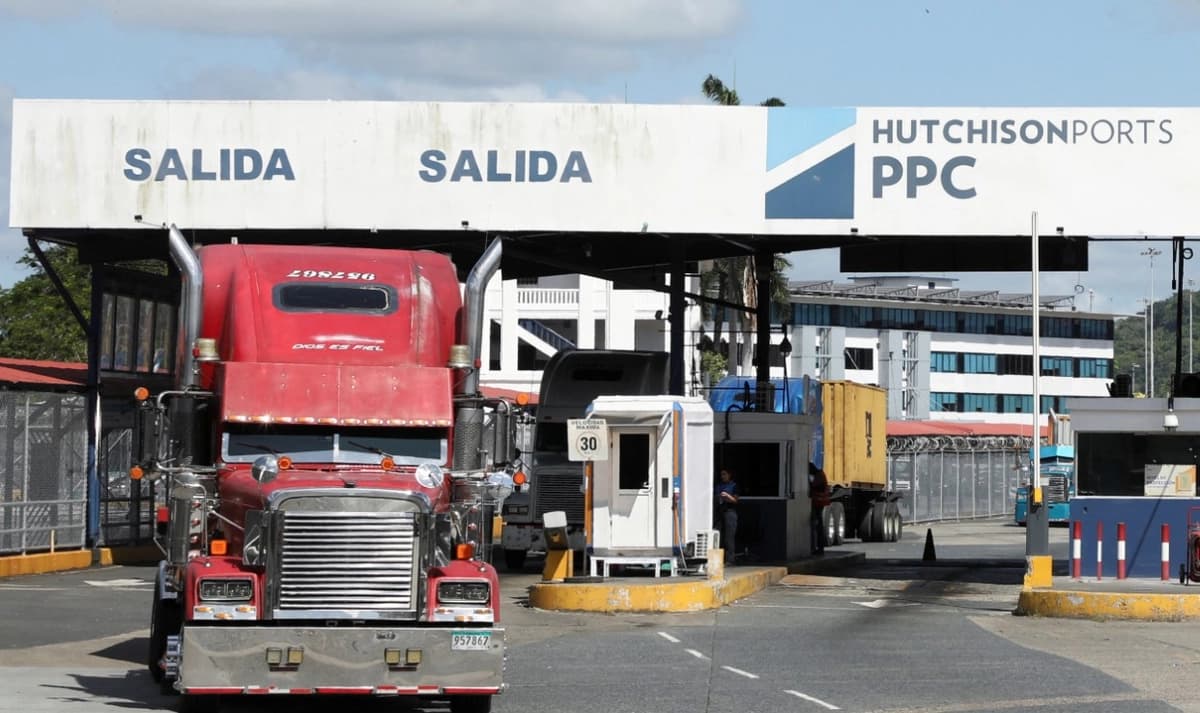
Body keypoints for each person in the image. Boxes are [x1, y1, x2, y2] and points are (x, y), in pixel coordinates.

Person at [714, 467, 739, 565]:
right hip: (719, 511)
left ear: (729, 475)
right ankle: (717, 558)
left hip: (729, 511)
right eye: (721, 475)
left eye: (725, 474)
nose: (723, 476)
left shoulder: (733, 486)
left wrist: (727, 497)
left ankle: (730, 559)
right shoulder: (718, 486)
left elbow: (735, 500)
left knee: (729, 536)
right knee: (717, 534)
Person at [808, 462, 830, 555]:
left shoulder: (818, 476)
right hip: (819, 503)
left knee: (818, 526)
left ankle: (819, 548)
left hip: (817, 503)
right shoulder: (820, 474)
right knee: (818, 526)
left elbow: (815, 486)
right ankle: (819, 547)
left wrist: (809, 483)